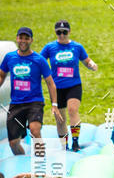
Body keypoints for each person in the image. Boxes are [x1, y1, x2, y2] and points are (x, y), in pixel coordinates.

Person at [0, 27, 58, 155]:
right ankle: (22, 162)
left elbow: (50, 83)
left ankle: (41, 159)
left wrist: (54, 104)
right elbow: (2, 74)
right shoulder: (10, 57)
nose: (23, 41)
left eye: (26, 38)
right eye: (21, 38)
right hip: (16, 103)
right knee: (13, 143)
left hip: (34, 102)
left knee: (35, 131)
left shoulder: (39, 60)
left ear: (31, 40)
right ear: (17, 38)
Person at [41, 21, 97, 151]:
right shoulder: (50, 47)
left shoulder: (77, 47)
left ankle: (75, 142)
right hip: (56, 88)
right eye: (59, 32)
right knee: (60, 118)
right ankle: (64, 145)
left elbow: (86, 60)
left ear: (69, 32)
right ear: (55, 33)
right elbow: (39, 61)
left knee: (72, 110)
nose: (61, 35)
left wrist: (92, 65)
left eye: (64, 32)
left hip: (74, 85)